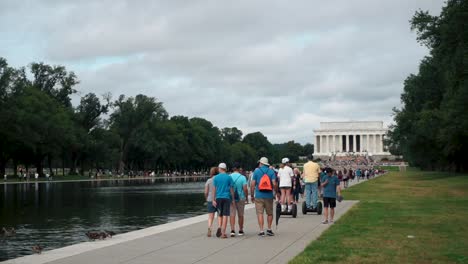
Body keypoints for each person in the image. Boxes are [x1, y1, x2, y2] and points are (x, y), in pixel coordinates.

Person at [250, 157, 277, 237]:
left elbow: (252, 184)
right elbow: (274, 183)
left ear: (261, 163)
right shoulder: (271, 171)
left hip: (259, 195)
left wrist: (252, 195)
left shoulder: (256, 171)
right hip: (269, 195)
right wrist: (275, 192)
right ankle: (269, 229)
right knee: (269, 213)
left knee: (260, 213)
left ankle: (261, 230)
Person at [212, 163, 235, 239]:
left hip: (218, 198)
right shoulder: (229, 177)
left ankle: (219, 226)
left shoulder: (215, 178)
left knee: (219, 214)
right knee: (225, 215)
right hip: (226, 198)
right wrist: (233, 199)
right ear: (225, 169)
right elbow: (231, 189)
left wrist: (213, 199)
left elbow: (214, 189)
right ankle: (223, 232)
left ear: (220, 168)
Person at [229, 163, 249, 237]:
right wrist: (246, 197)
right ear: (239, 168)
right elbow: (245, 189)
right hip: (241, 197)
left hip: (232, 198)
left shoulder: (229, 176)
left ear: (233, 168)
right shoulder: (243, 177)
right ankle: (240, 230)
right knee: (241, 215)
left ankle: (232, 230)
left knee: (232, 214)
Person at [205, 167, 221, 237]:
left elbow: (206, 192)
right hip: (219, 199)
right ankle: (219, 227)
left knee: (210, 216)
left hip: (210, 199)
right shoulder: (219, 180)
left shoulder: (209, 180)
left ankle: (209, 228)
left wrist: (206, 198)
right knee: (219, 215)